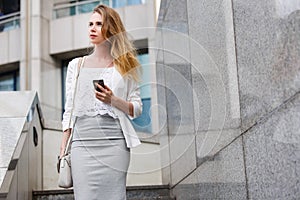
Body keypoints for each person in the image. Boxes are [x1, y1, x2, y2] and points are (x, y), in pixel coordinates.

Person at [59, 4, 142, 200]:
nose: (93, 28)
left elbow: (136, 108)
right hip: (81, 146)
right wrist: (63, 147)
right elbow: (69, 108)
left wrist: (113, 100)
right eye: (90, 24)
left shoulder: (125, 66)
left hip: (115, 145)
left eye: (99, 24)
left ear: (111, 29)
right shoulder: (75, 66)